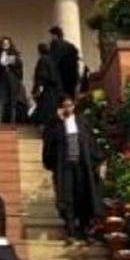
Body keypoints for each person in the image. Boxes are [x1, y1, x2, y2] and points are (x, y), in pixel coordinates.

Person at [41, 95, 104, 244]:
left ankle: (85, 230)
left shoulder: (82, 122)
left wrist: (98, 160)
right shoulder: (54, 125)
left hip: (83, 165)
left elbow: (91, 142)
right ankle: (70, 231)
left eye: (69, 106)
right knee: (67, 197)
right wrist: (59, 122)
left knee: (83, 195)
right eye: (64, 106)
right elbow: (49, 144)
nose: (67, 109)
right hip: (65, 167)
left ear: (73, 106)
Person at [30, 43, 62, 126]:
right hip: (54, 89)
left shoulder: (42, 60)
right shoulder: (52, 60)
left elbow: (42, 75)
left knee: (44, 107)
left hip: (46, 88)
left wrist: (38, 88)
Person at [0, 37, 23, 125]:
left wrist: (11, 61)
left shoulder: (15, 54)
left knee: (12, 103)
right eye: (3, 43)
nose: (5, 45)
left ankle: (12, 122)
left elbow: (19, 67)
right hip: (1, 81)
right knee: (0, 102)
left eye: (7, 44)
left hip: (12, 81)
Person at [47, 26, 80, 100]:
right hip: (71, 79)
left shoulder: (54, 45)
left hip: (60, 80)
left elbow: (53, 63)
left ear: (54, 35)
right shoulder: (71, 46)